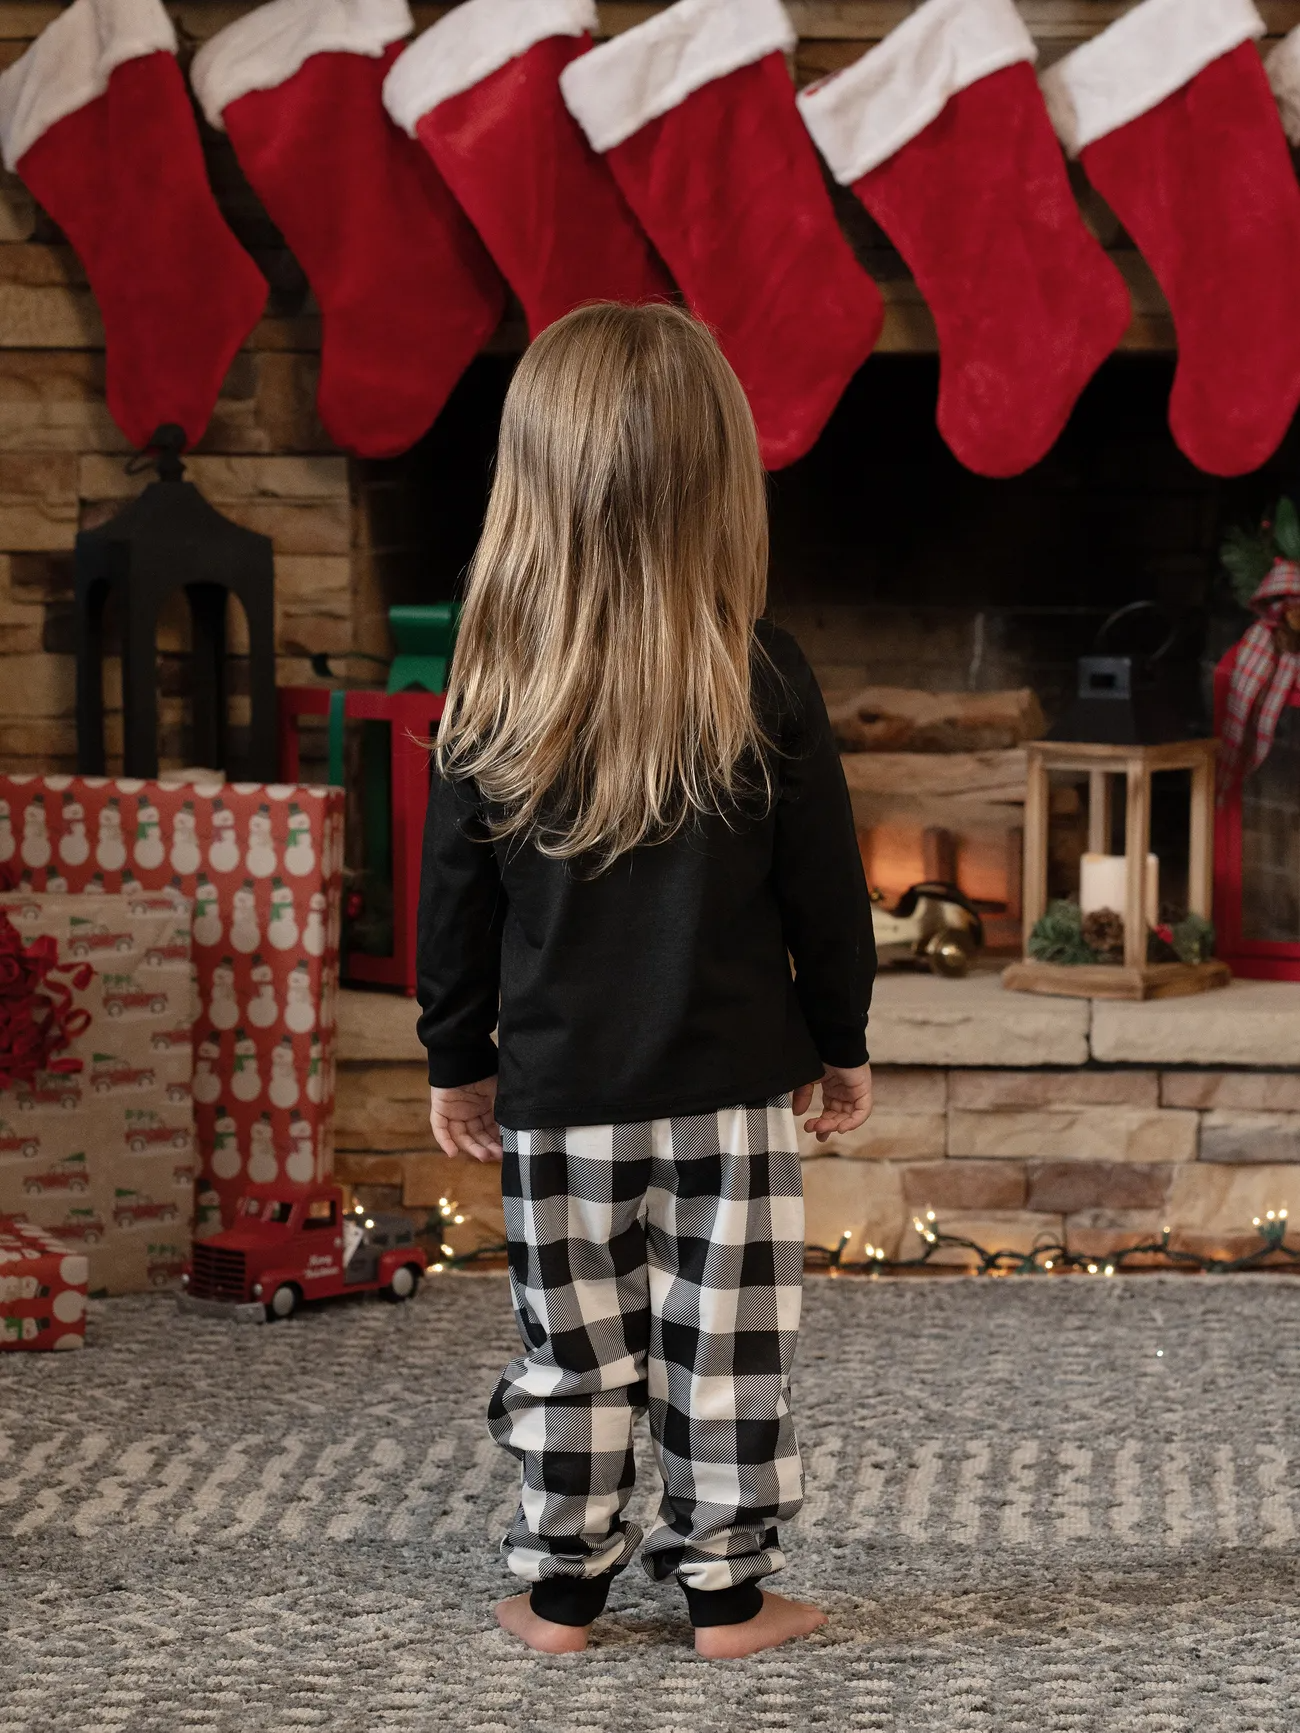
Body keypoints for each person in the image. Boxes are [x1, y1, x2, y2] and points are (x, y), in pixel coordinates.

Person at [416, 302, 876, 1660]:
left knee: (573, 1349)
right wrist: (838, 1039)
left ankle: (562, 1594)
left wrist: (456, 1056)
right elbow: (827, 892)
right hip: (731, 1097)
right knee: (724, 1352)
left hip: (559, 1100)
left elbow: (455, 901)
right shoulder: (763, 670)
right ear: (719, 481)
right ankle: (725, 1596)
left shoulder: (492, 683)